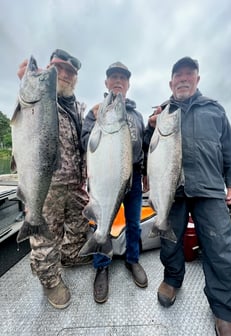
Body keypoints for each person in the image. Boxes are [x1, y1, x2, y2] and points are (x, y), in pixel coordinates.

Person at [144, 57, 231, 336]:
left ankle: (224, 312)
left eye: (189, 74)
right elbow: (144, 151)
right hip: (171, 192)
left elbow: (229, 149)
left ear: (197, 80)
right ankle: (172, 280)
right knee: (169, 242)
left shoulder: (215, 109)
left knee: (219, 251)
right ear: (171, 82)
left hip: (210, 190)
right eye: (178, 75)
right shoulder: (161, 112)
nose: (184, 79)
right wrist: (150, 128)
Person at [16, 49, 92, 309]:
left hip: (76, 185)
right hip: (45, 186)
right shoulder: (39, 98)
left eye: (71, 73)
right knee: (45, 239)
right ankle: (50, 280)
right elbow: (23, 115)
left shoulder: (80, 107)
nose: (66, 76)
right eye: (60, 70)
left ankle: (70, 256)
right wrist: (24, 79)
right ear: (49, 70)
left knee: (82, 227)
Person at [81, 61, 148, 303]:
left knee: (134, 225)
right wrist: (97, 123)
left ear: (129, 84)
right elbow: (85, 142)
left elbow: (145, 146)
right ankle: (101, 266)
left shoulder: (137, 115)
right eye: (114, 77)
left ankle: (133, 260)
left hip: (133, 179)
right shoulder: (96, 111)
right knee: (101, 222)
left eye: (123, 77)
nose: (118, 81)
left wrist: (147, 172)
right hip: (104, 178)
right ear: (106, 83)